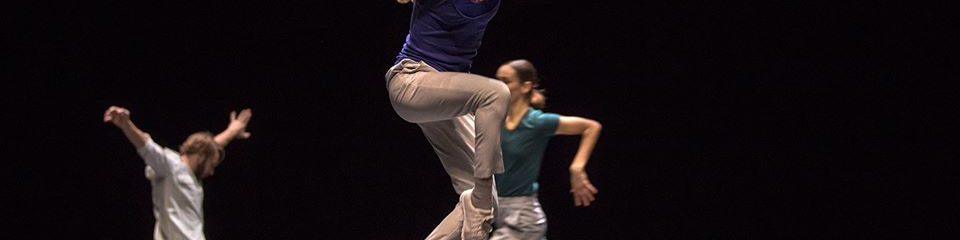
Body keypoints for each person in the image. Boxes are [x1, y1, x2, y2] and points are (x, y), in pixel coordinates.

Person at [385, 0, 511, 239]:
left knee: (487, 199)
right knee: (495, 94)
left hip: (447, 97)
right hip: (411, 80)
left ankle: (480, 210)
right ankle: (480, 216)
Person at [103, 106, 252, 240]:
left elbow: (211, 146)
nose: (211, 172)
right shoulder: (170, 166)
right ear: (201, 157)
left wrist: (232, 131)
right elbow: (147, 146)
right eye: (211, 166)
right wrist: (126, 124)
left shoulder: (191, 171)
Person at [490, 59, 602, 240]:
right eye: (497, 80)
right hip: (499, 213)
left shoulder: (536, 122)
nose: (498, 86)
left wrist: (577, 167)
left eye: (506, 81)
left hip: (523, 219)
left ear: (525, 87)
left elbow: (591, 127)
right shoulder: (497, 121)